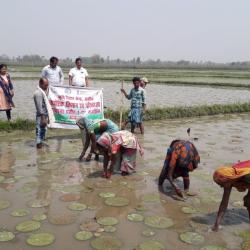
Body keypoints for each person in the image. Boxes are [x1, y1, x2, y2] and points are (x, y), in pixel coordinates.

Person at [212, 160, 250, 231]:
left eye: (221, 184)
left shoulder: (246, 177)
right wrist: (216, 224)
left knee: (248, 201)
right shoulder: (229, 177)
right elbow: (224, 203)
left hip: (248, 174)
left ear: (228, 180)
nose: (221, 187)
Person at [33, 78, 55, 149]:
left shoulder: (43, 92)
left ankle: (40, 147)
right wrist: (43, 118)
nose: (47, 87)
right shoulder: (38, 93)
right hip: (41, 116)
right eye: (45, 85)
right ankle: (39, 147)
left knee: (43, 130)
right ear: (40, 84)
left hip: (44, 114)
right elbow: (39, 107)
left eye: (47, 85)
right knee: (39, 131)